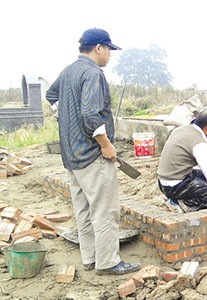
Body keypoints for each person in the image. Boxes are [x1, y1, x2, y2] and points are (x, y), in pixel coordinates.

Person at [45, 28, 140, 275]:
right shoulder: (92, 73)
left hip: (71, 154)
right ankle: (108, 262)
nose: (109, 55)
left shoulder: (69, 71)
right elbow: (89, 113)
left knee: (83, 209)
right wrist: (106, 144)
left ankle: (90, 258)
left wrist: (66, 119)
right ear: (99, 48)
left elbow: (51, 95)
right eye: (109, 50)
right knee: (105, 211)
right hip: (91, 155)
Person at [157, 108, 207, 213]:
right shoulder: (200, 143)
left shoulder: (180, 130)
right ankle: (182, 203)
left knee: (201, 175)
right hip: (175, 186)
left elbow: (181, 158)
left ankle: (173, 197)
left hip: (163, 182)